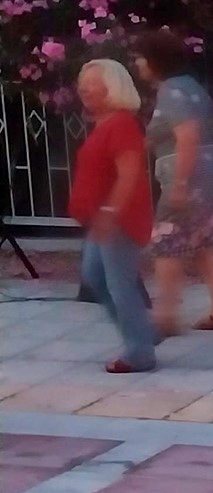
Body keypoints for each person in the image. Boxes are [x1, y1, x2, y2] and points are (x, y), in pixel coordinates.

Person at [133, 29, 213, 337]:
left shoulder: (171, 92)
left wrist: (179, 184)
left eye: (140, 58)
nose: (138, 64)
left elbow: (187, 135)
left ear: (155, 60)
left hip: (190, 177)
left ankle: (166, 314)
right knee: (205, 242)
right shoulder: (193, 87)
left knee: (167, 243)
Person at [67, 59, 157, 374]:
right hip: (102, 219)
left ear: (112, 86)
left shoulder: (121, 125)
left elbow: (129, 174)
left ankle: (139, 351)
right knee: (96, 278)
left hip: (117, 218)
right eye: (83, 81)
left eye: (91, 82)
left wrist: (110, 211)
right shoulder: (105, 124)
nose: (83, 88)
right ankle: (142, 333)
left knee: (118, 285)